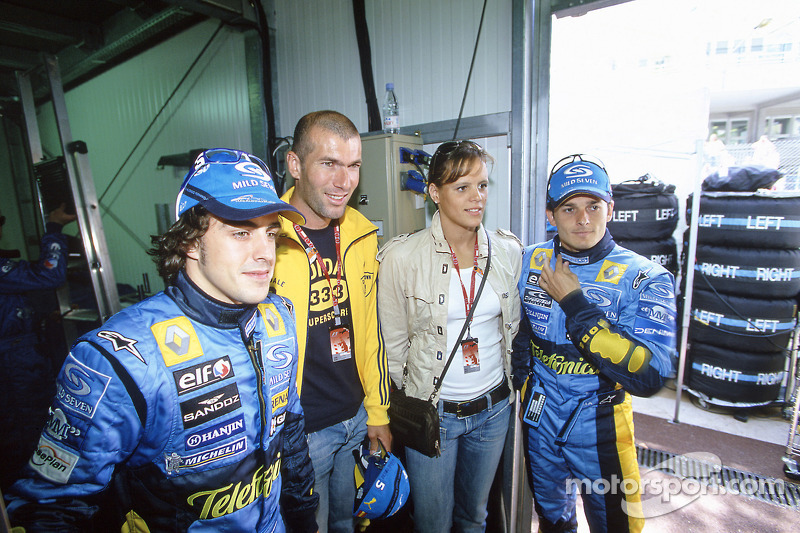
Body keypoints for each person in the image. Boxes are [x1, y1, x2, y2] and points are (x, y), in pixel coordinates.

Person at [5, 149, 319, 532]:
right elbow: (51, 509)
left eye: (270, 234)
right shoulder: (120, 357)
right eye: (241, 232)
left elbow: (290, 433)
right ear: (189, 242)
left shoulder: (278, 319)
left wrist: (304, 520)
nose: (265, 253)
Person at [511, 154, 676, 533]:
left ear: (611, 209)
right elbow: (519, 333)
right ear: (550, 215)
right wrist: (524, 383)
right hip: (540, 418)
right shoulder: (529, 259)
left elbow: (651, 374)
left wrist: (574, 302)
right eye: (569, 208)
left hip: (601, 422)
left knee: (620, 526)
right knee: (552, 519)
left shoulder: (646, 277)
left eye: (593, 206)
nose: (583, 219)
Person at [377, 140, 522, 532]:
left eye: (482, 186)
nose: (477, 198)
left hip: (494, 409)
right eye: (462, 188)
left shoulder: (508, 252)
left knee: (475, 516)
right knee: (433, 522)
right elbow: (392, 349)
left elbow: (511, 331)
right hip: (435, 415)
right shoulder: (400, 258)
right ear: (434, 193)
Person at [271, 110, 391, 533]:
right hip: (302, 431)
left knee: (348, 522)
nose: (344, 182)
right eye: (329, 164)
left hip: (356, 415)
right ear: (295, 165)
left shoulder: (362, 232)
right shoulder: (266, 236)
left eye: (353, 166)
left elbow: (371, 334)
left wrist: (377, 411)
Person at [0, 204, 76, 492]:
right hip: (13, 364)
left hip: (21, 355)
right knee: (26, 432)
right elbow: (49, 275)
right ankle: (30, 502)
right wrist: (54, 227)